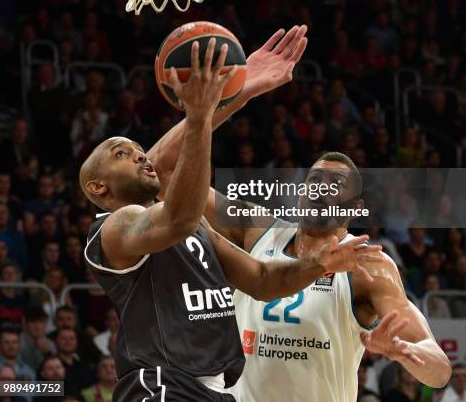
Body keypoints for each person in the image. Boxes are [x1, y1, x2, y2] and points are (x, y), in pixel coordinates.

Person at [144, 29, 451, 401]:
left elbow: (439, 371)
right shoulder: (257, 230)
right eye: (314, 180)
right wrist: (238, 94)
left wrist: (408, 352)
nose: (320, 188)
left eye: (334, 184)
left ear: (354, 209)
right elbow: (156, 172)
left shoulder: (369, 267)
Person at [82, 36, 382, 401]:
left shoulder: (196, 227)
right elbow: (177, 211)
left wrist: (317, 264)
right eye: (121, 153)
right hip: (162, 384)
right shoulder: (113, 227)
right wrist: (208, 109)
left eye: (139, 150)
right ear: (98, 186)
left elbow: (261, 279)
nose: (141, 156)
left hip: (215, 391)